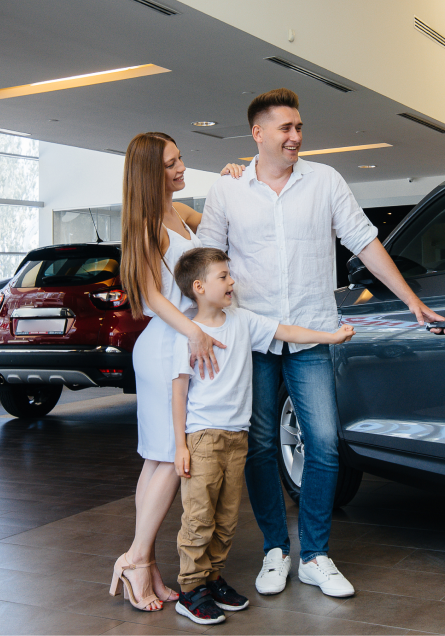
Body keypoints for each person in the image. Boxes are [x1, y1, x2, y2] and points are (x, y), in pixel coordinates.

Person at [197, 87, 445, 598]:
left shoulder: (324, 180)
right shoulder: (228, 190)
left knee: (326, 444)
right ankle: (274, 549)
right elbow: (205, 258)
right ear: (258, 133)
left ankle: (314, 554)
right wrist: (201, 327)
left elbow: (364, 240)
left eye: (299, 127)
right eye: (285, 128)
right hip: (252, 336)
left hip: (312, 332)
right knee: (260, 447)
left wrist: (410, 300)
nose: (296, 137)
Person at [169, 247, 354, 624]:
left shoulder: (242, 320)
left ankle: (212, 579)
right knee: (199, 516)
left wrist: (330, 337)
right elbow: (178, 392)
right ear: (200, 287)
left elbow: (286, 331)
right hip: (203, 438)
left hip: (237, 437)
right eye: (224, 276)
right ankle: (190, 589)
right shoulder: (189, 336)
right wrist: (180, 445)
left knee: (226, 518)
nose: (232, 281)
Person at [110, 131, 241, 612]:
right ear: (150, 173)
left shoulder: (179, 212)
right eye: (170, 164)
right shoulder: (145, 225)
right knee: (168, 458)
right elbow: (151, 297)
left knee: (156, 460)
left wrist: (231, 182)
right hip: (167, 345)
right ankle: (135, 560)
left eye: (180, 158)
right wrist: (194, 332)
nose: (181, 167)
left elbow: (225, 228)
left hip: (180, 342)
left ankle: (142, 561)